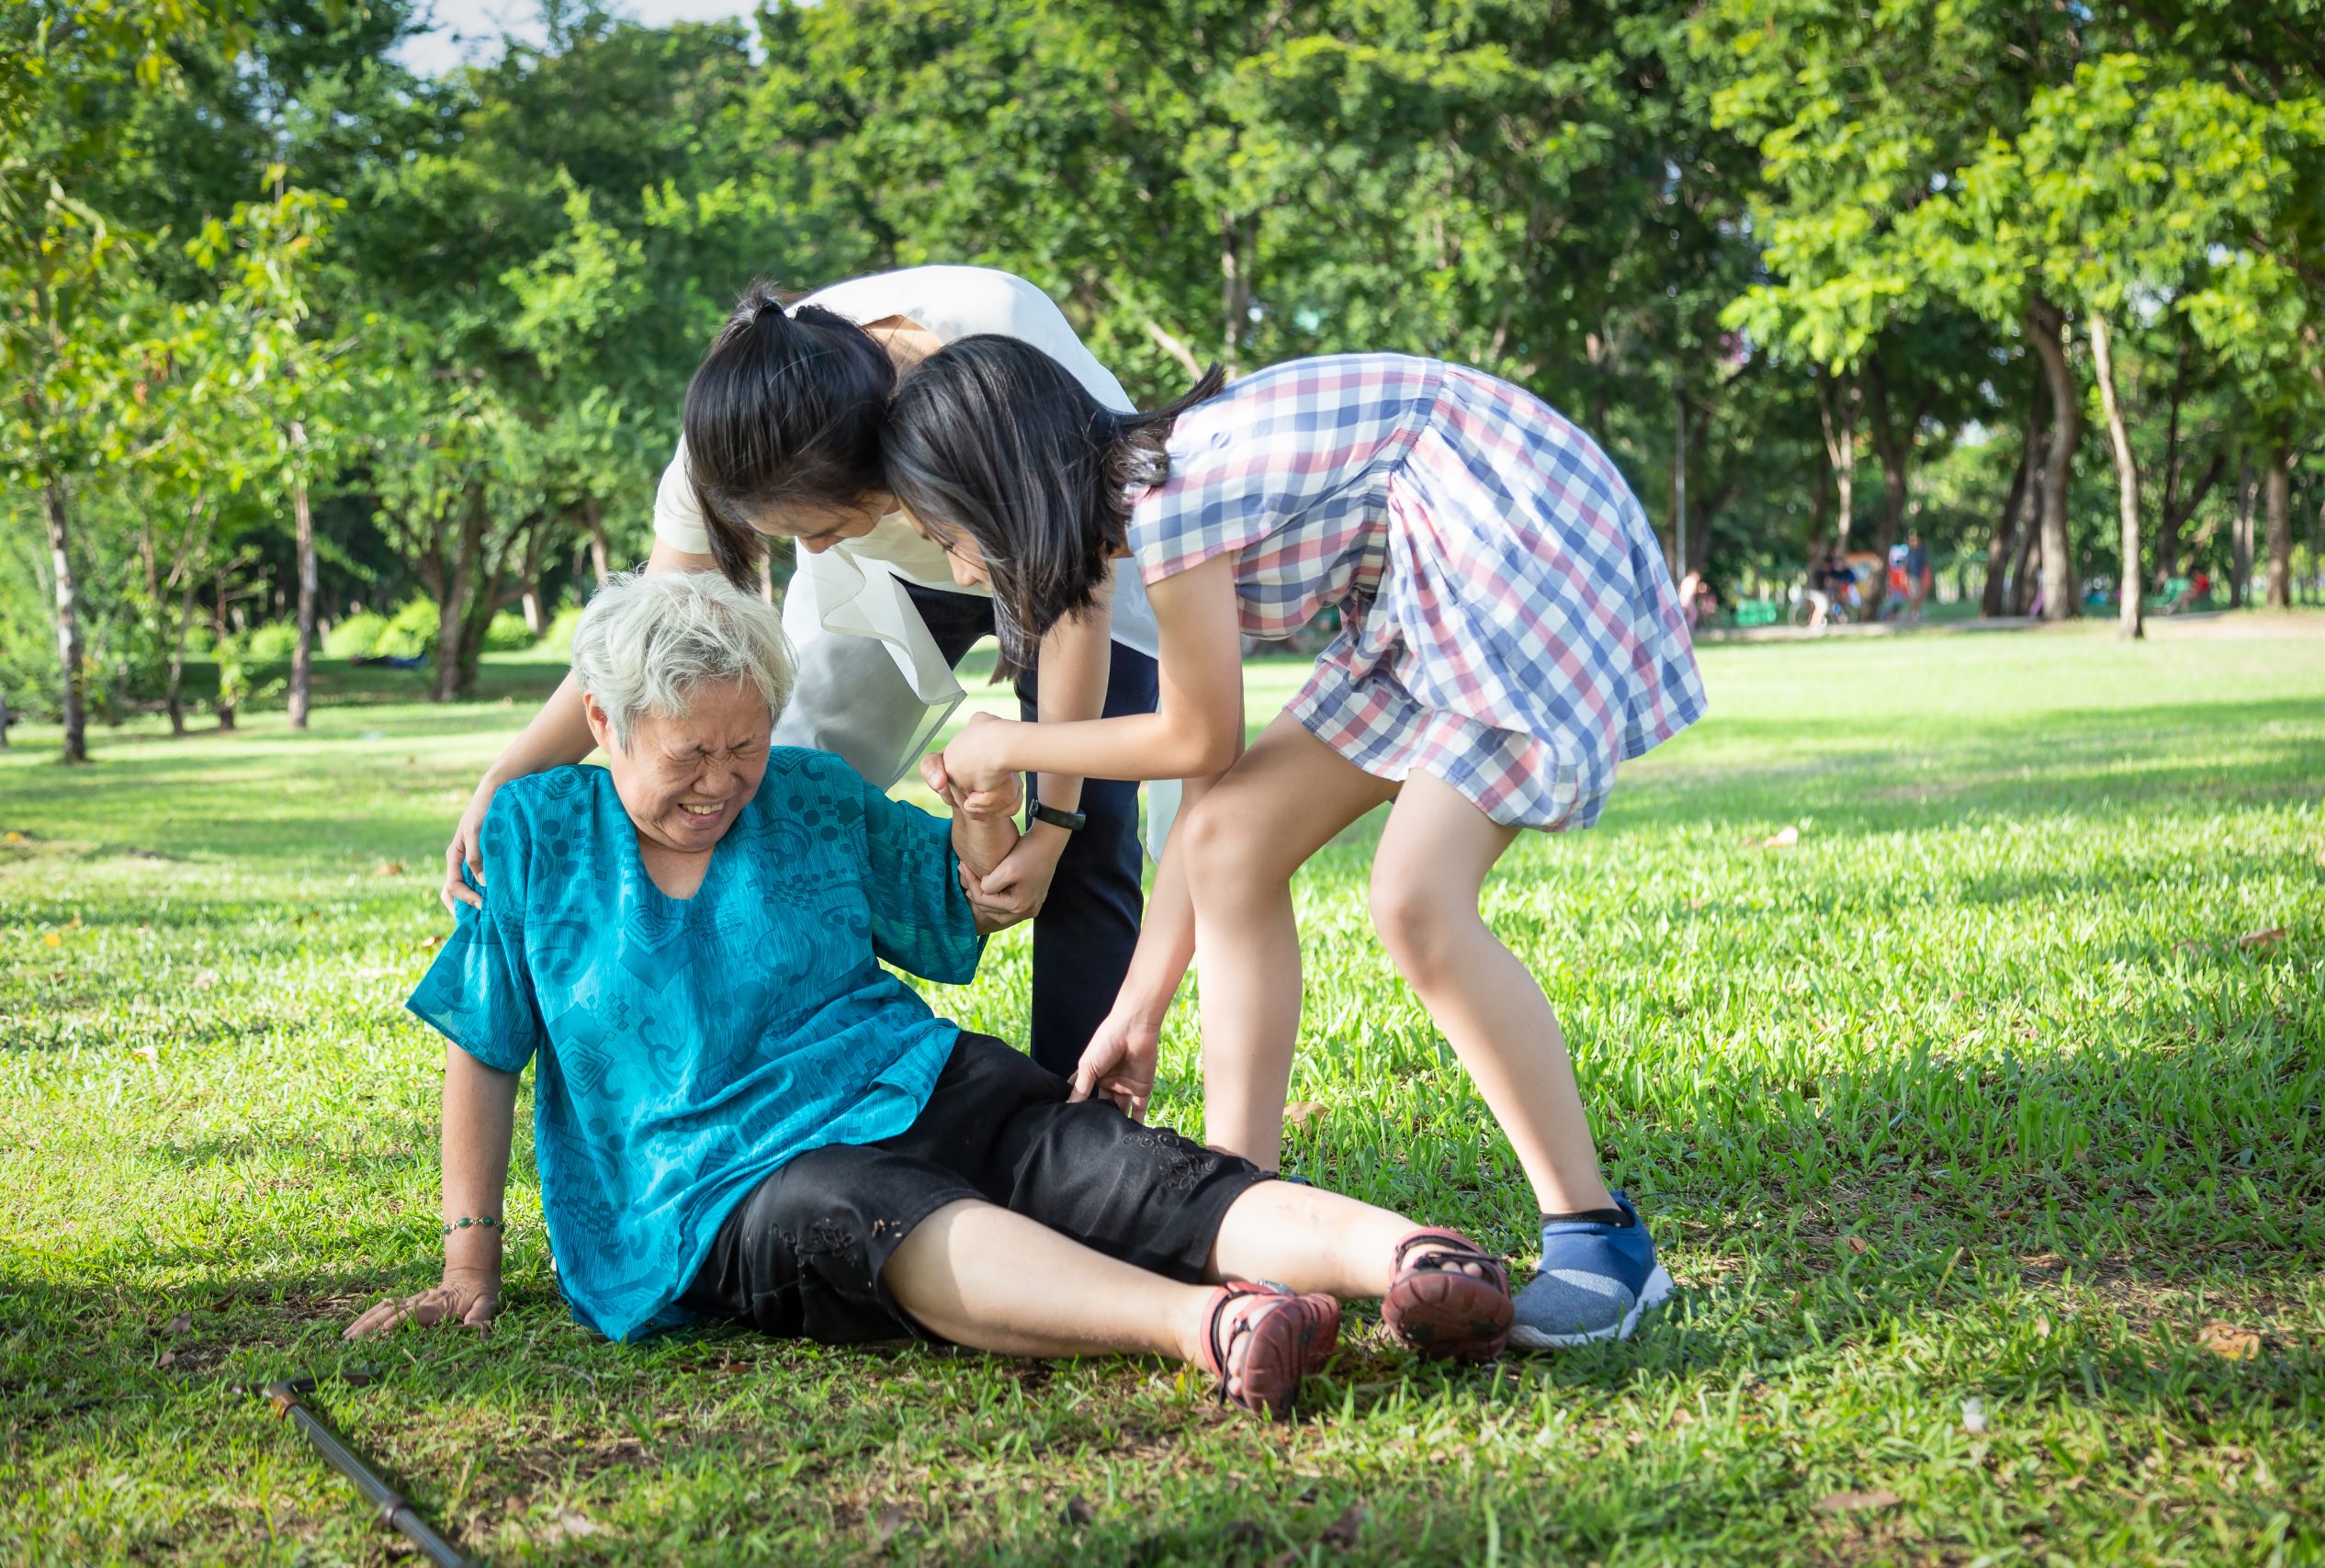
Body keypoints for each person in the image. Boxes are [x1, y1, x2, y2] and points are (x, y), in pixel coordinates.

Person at [349, 572, 1517, 1418]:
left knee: (1115, 1165)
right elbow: (484, 1049)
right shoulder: (534, 835)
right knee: (876, 1215)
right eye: (688, 755)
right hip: (721, 1184)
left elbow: (969, 903)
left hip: (913, 1078)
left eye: (744, 746)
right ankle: (1211, 1326)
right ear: (602, 725)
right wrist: (469, 1268)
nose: (723, 782)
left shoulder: (808, 794)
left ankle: (1422, 1261)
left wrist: (985, 808)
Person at [881, 342, 1704, 1348]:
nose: (964, 570)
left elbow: (1196, 737)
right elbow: (1210, 798)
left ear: (1002, 486)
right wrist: (1140, 1003)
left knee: (1414, 899)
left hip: (1517, 543)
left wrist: (1009, 740)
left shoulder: (1169, 502)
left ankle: (1599, 1238)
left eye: (952, 535)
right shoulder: (1147, 507)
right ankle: (1240, 1213)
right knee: (1234, 840)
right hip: (1424, 584)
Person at [442, 268, 1161, 1077]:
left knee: (1092, 821)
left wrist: (1055, 822)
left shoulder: (996, 340)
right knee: (775, 788)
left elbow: (1074, 601)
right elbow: (645, 651)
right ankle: (766, 1059)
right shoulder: (733, 439)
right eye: (791, 535)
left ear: (880, 457)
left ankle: (1084, 1100)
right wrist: (509, 770)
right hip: (889, 579)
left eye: (818, 528)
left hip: (1069, 547)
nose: (808, 550)